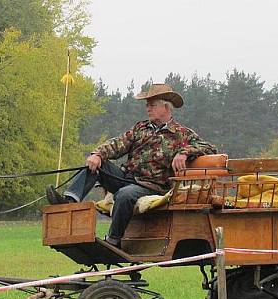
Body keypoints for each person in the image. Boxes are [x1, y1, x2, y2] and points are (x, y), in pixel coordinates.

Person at [47, 83, 216, 248]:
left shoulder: (182, 134)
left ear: (166, 107)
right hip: (127, 178)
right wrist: (97, 154)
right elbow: (118, 143)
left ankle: (113, 240)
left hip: (153, 186)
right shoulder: (140, 128)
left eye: (152, 105)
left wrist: (185, 152)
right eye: (147, 105)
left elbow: (210, 148)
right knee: (96, 165)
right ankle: (69, 201)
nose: (148, 108)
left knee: (125, 194)